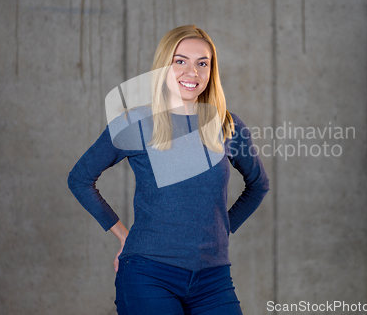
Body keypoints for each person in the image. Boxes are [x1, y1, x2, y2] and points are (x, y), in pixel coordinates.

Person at [67, 25, 270, 315]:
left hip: (213, 280)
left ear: (212, 71)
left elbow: (258, 185)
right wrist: (124, 236)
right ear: (164, 67)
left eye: (203, 63)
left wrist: (222, 228)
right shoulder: (135, 123)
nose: (193, 72)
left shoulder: (228, 126)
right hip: (148, 275)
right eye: (180, 61)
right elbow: (80, 179)